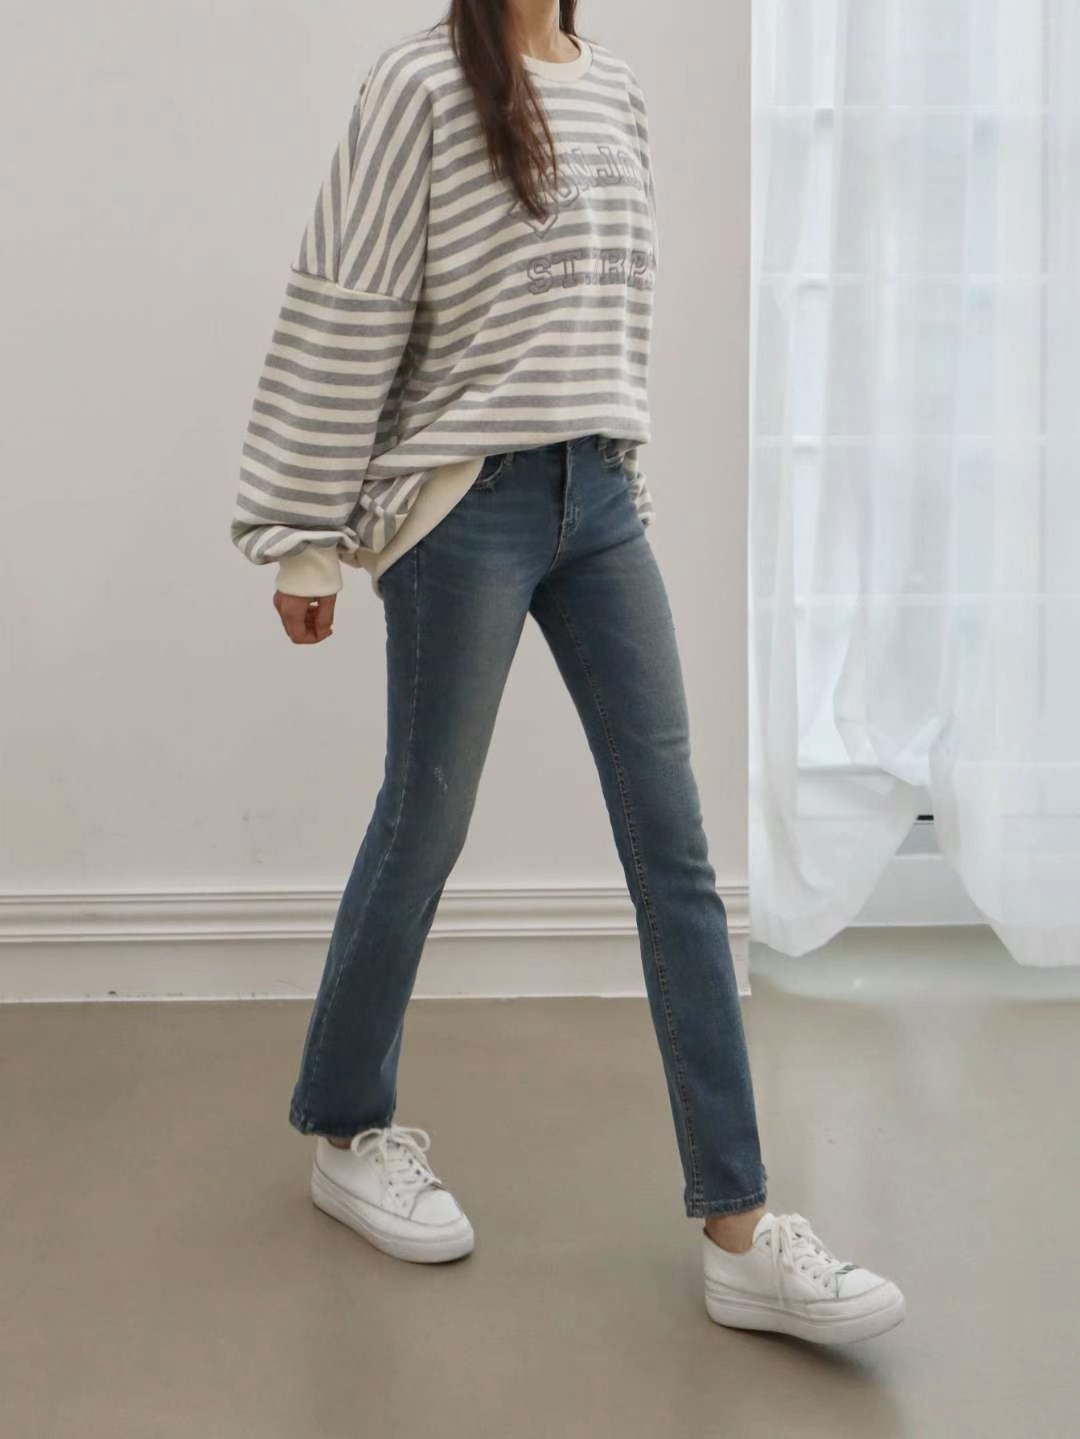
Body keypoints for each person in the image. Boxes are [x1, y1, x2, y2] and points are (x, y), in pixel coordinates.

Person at [230, 0, 906, 1345]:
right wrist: (302, 535)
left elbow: (613, 317)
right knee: (423, 823)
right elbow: (344, 300)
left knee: (676, 851)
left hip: (598, 503)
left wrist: (621, 477)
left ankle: (740, 1227)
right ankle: (348, 1130)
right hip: (462, 506)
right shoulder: (418, 83)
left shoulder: (617, 91)